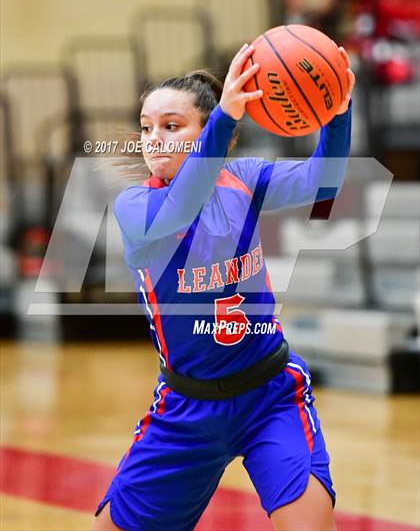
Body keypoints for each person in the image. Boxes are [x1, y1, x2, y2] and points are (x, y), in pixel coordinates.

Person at [93, 42, 355, 531]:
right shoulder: (135, 207)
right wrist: (227, 119)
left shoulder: (244, 179)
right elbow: (182, 207)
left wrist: (336, 112)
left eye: (172, 127)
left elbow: (324, 182)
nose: (154, 139)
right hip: (186, 408)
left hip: (270, 394)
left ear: (214, 136)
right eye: (147, 128)